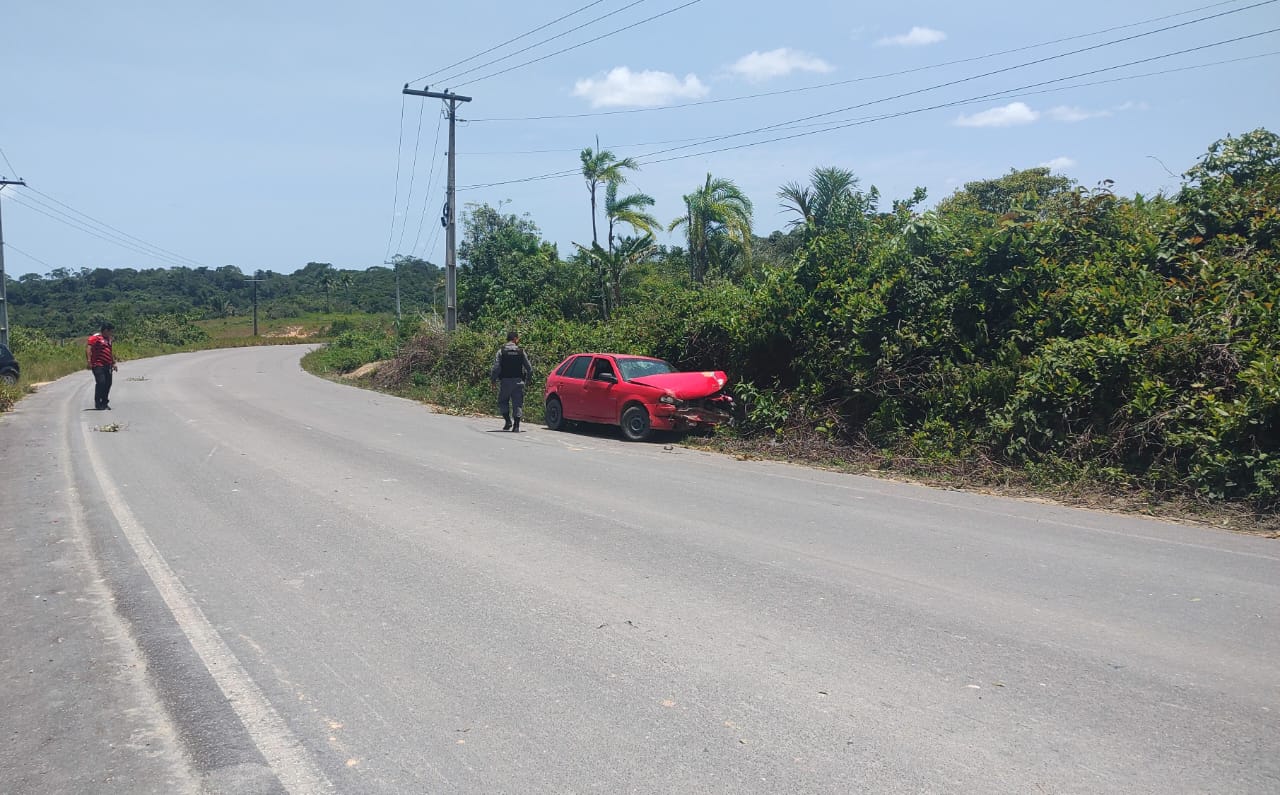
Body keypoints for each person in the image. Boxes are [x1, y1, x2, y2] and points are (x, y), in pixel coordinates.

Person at [490, 330, 533, 432]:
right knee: (517, 403)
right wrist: (528, 381)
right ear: (515, 339)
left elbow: (496, 368)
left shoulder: (501, 352)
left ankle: (508, 421)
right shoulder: (521, 352)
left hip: (505, 381)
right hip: (518, 382)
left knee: (502, 401)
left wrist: (493, 380)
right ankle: (516, 426)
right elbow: (529, 368)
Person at [86, 322, 117, 410]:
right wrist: (89, 361)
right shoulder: (95, 338)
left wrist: (113, 363)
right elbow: (88, 349)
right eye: (110, 331)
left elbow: (110, 351)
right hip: (98, 364)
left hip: (108, 365)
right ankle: (98, 402)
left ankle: (104, 402)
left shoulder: (109, 339)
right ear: (106, 330)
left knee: (108, 384)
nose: (111, 333)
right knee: (101, 382)